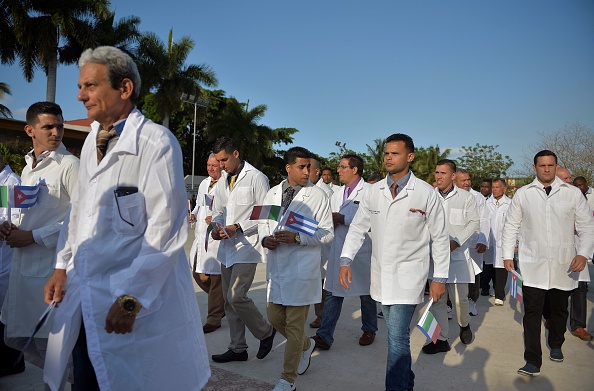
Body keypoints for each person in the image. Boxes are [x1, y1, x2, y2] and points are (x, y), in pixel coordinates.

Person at [42, 46, 210, 390]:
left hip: (134, 302)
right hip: (87, 294)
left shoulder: (157, 143)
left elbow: (167, 230)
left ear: (124, 89)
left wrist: (131, 298)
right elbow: (79, 213)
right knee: (86, 377)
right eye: (80, 86)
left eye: (90, 85)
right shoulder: (91, 142)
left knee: (133, 379)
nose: (80, 95)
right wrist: (61, 265)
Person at [339, 133, 450, 391]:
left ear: (409, 157)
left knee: (398, 339)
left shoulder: (425, 193)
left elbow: (441, 238)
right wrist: (346, 260)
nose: (389, 157)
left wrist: (440, 278)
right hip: (380, 274)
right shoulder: (373, 191)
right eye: (386, 153)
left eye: (395, 153)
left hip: (410, 277)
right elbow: (357, 228)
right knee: (395, 336)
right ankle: (407, 382)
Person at [0, 102, 79, 372]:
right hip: (23, 270)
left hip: (51, 271)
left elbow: (82, 218)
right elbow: (27, 212)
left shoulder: (70, 165)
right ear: (30, 130)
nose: (56, 132)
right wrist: (8, 226)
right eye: (48, 127)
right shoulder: (27, 168)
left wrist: (34, 236)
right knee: (28, 343)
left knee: (59, 354)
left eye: (59, 126)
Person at [501, 150, 594, 377]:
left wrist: (583, 253)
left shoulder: (572, 194)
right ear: (534, 168)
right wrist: (506, 255)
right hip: (533, 265)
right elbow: (511, 225)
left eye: (550, 165)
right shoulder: (523, 194)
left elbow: (586, 226)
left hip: (565, 264)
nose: (546, 169)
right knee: (531, 313)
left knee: (560, 310)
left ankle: (556, 343)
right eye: (542, 165)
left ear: (555, 166)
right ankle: (533, 360)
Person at [259, 146, 334, 391]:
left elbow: (327, 234)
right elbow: (263, 225)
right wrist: (264, 240)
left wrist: (298, 238)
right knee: (273, 318)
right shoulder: (271, 193)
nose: (307, 171)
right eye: (301, 167)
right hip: (277, 268)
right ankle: (304, 345)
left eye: (309, 167)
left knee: (293, 326)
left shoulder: (318, 196)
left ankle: (287, 379)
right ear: (288, 168)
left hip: (302, 271)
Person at [210, 136, 276, 363]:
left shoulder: (257, 178)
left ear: (236, 154)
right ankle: (238, 348)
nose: (221, 165)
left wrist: (239, 227)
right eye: (218, 161)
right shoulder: (222, 181)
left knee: (236, 296)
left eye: (224, 160)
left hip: (247, 248)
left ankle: (266, 332)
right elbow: (218, 211)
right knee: (228, 302)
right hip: (226, 247)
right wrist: (214, 228)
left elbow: (269, 213)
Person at [314, 154, 377, 350]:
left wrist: (344, 219)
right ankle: (324, 335)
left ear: (355, 169)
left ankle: (369, 329)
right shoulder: (336, 193)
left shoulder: (370, 192)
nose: (338, 171)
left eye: (342, 167)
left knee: (366, 294)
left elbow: (375, 221)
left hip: (362, 250)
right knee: (333, 291)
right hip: (338, 248)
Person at [422, 160, 479, 354]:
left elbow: (473, 223)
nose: (438, 176)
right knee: (437, 300)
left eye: (443, 173)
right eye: (436, 172)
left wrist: (456, 241)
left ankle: (464, 325)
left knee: (460, 300)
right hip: (434, 257)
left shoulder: (466, 198)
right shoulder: (428, 196)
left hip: (458, 256)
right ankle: (442, 339)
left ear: (453, 176)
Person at [188, 154, 225, 333]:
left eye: (214, 165)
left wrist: (218, 218)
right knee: (199, 274)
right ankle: (222, 302)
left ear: (221, 166)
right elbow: (199, 205)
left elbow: (228, 209)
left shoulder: (225, 184)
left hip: (216, 236)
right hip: (201, 235)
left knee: (216, 279)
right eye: (208, 165)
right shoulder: (204, 183)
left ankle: (214, 318)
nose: (210, 168)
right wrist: (193, 214)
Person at [454, 168, 489, 316]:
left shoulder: (478, 197)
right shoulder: (449, 195)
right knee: (452, 274)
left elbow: (485, 220)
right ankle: (450, 304)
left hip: (473, 242)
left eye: (468, 179)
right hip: (454, 243)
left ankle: (471, 302)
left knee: (473, 274)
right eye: (464, 180)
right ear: (454, 180)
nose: (467, 182)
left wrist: (482, 240)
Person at [0, 152, 22, 377]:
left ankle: (13, 364)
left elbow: (13, 218)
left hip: (5, 259)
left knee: (5, 317)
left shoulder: (11, 183)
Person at [308, 157, 332, 329]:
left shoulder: (326, 193)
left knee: (321, 283)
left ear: (317, 172)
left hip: (321, 243)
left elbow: (324, 223)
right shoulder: (303, 190)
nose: (303, 171)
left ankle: (322, 316)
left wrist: (297, 224)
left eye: (307, 168)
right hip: (305, 244)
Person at [569, 175, 593, 341]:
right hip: (562, 248)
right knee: (556, 289)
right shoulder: (564, 198)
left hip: (581, 249)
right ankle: (551, 318)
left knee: (580, 288)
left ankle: (578, 325)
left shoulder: (591, 198)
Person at [483, 178, 512, 306]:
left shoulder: (510, 204)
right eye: (493, 187)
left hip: (503, 240)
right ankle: (488, 288)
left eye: (497, 187)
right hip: (489, 240)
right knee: (489, 266)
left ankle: (499, 295)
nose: (494, 190)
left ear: (504, 189)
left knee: (501, 267)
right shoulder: (486, 203)